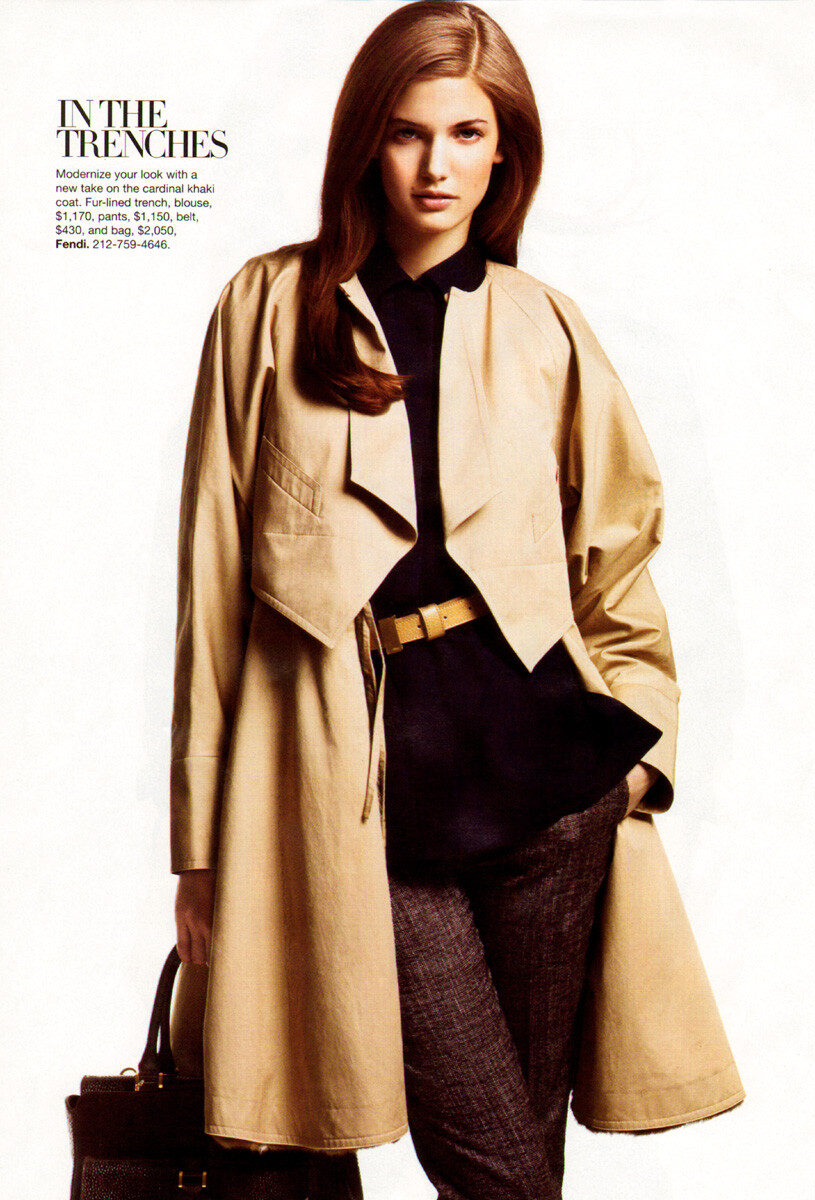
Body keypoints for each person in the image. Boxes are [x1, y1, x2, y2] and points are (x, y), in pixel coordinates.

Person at [171, 4, 741, 1198]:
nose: (437, 166)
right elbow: (213, 598)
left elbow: (618, 559)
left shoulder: (545, 327)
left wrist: (639, 756)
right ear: (362, 145)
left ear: (504, 151)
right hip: (358, 803)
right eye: (407, 132)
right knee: (498, 1171)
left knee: (517, 1163)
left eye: (467, 133)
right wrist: (201, 855)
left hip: (551, 794)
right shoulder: (267, 310)